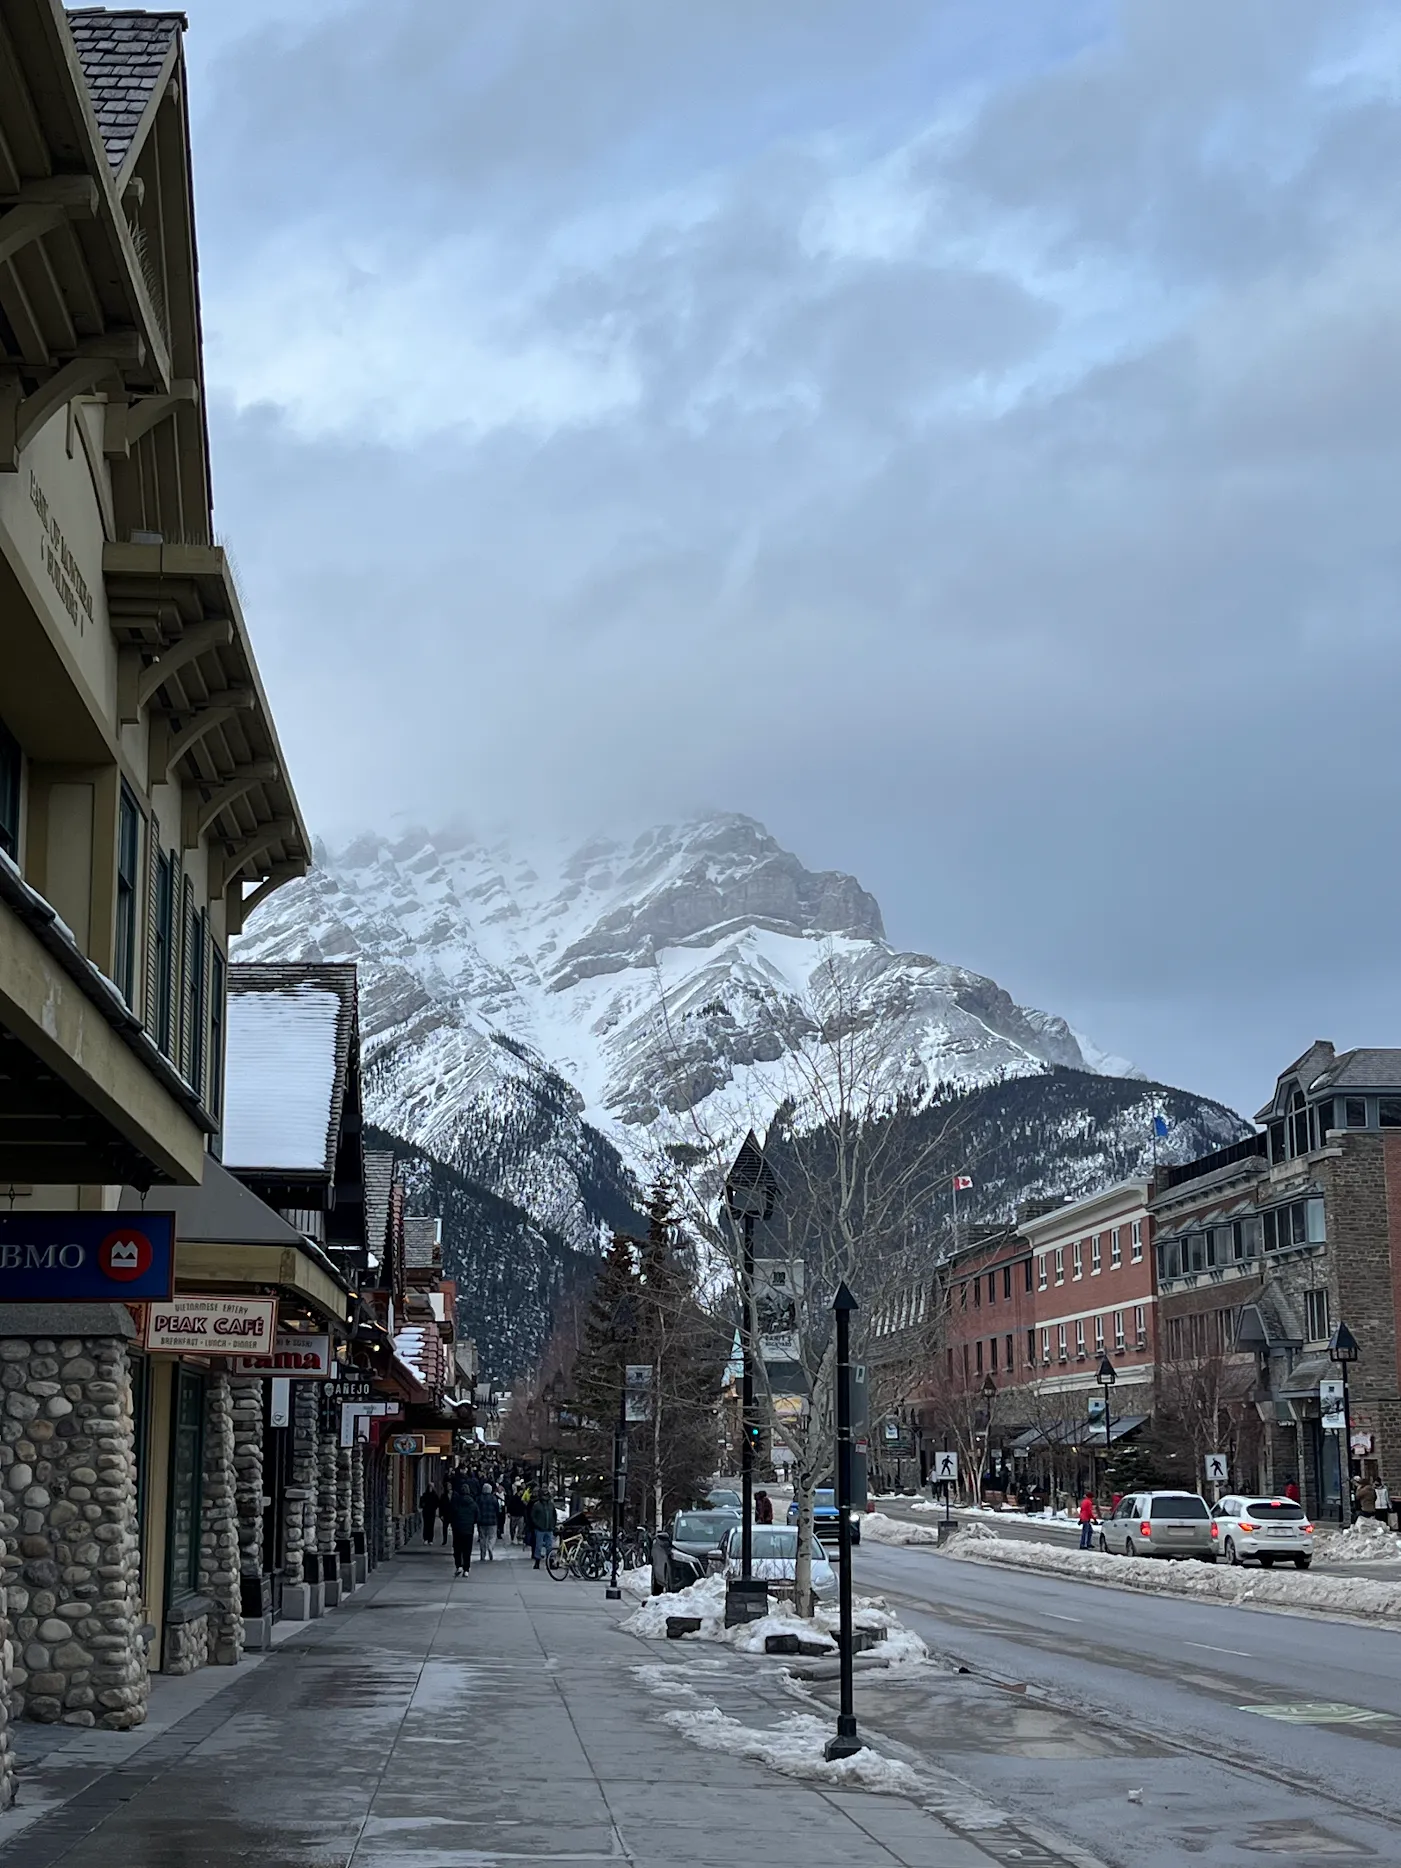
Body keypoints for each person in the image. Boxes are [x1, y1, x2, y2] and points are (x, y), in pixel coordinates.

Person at [445, 1483, 478, 1577]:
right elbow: (477, 1516)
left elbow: (451, 1514)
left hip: (457, 1529)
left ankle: (458, 1565)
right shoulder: (473, 1504)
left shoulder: (456, 1502)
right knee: (467, 1550)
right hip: (468, 1530)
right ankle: (466, 1569)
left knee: (457, 1549)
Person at [529, 1489, 559, 1569]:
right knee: (538, 1546)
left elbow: (554, 1515)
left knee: (549, 1546)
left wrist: (553, 1524)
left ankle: (550, 1561)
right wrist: (537, 1524)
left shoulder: (550, 1505)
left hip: (548, 1528)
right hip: (540, 1528)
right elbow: (533, 1516)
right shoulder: (537, 1505)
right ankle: (537, 1561)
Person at [476, 1482, 499, 1561]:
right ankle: (490, 1546)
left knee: (482, 1538)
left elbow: (477, 1509)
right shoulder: (494, 1498)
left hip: (481, 1521)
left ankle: (483, 1554)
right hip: (492, 1521)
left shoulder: (479, 1498)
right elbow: (497, 1509)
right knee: (492, 1536)